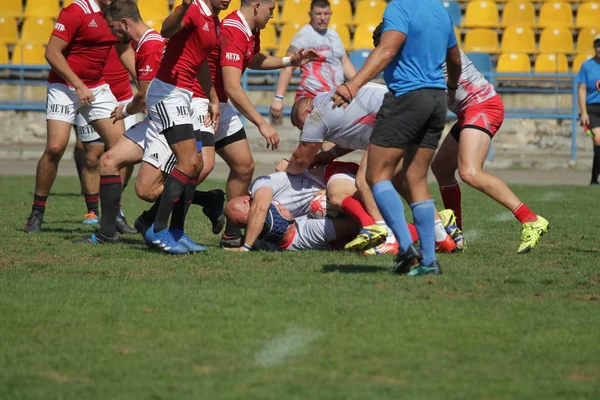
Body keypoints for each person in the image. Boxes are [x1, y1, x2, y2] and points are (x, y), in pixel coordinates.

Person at [330, 0, 461, 276]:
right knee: (416, 180)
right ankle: (428, 260)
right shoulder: (440, 11)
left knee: (376, 176)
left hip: (407, 97)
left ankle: (405, 247)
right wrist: (450, 88)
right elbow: (455, 60)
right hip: (436, 100)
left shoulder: (399, 8)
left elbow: (388, 48)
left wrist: (352, 85)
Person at [184, 0, 320, 248]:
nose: (272, 17)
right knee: (197, 169)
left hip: (220, 103)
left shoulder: (251, 29)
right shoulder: (233, 29)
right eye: (271, 10)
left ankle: (231, 234)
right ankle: (159, 224)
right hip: (200, 102)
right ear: (257, 5)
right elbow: (234, 87)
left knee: (244, 166)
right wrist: (261, 123)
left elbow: (254, 60)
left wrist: (291, 61)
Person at [286, 83, 458, 255]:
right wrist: (328, 155)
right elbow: (355, 135)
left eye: (300, 125)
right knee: (405, 182)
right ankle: (441, 234)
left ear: (306, 112)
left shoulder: (318, 114)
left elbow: (300, 159)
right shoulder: (331, 103)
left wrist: (286, 169)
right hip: (418, 111)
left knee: (366, 180)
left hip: (396, 116)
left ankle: (387, 236)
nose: (303, 130)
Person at [24, 0, 135, 233]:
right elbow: (51, 52)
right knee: (55, 147)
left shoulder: (115, 13)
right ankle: (37, 213)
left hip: (97, 87)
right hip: (64, 86)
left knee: (122, 150)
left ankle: (114, 214)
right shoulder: (76, 11)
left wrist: (143, 84)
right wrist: (77, 84)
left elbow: (124, 49)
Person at [430, 47, 549, 254]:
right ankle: (456, 234)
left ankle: (531, 220)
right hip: (469, 110)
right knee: (441, 167)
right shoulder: (418, 45)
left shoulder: (426, 42)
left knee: (470, 172)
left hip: (482, 105)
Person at [73, 0, 167, 244]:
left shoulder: (150, 46)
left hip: (167, 125)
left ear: (125, 23)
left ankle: (204, 201)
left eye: (113, 27)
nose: (112, 33)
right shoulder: (148, 42)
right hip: (156, 121)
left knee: (146, 190)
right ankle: (106, 233)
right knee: (109, 161)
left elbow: (144, 96)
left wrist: (124, 111)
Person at [141, 0, 226, 254]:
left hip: (186, 97)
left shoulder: (214, 21)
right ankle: (157, 231)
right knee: (187, 162)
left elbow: (200, 63)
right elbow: (165, 31)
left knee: (196, 164)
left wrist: (212, 97)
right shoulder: (193, 9)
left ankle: (177, 232)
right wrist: (182, 8)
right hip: (167, 93)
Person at [76, 46, 138, 234]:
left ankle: (114, 209)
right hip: (92, 97)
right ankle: (93, 211)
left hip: (123, 99)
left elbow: (137, 62)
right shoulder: (89, 26)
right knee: (92, 156)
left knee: (126, 157)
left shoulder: (125, 29)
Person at [269, 0, 356, 121]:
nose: (322, 18)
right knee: (311, 138)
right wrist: (278, 98)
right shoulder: (303, 36)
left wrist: (360, 85)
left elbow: (345, 63)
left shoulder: (334, 36)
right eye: (318, 14)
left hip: (334, 97)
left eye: (326, 14)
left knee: (332, 139)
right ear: (310, 14)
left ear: (331, 14)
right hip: (311, 96)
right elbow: (288, 66)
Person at [577, 34, 600, 185]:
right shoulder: (587, 65)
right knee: (598, 139)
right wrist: (583, 112)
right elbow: (582, 89)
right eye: (598, 45)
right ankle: (594, 178)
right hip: (593, 108)